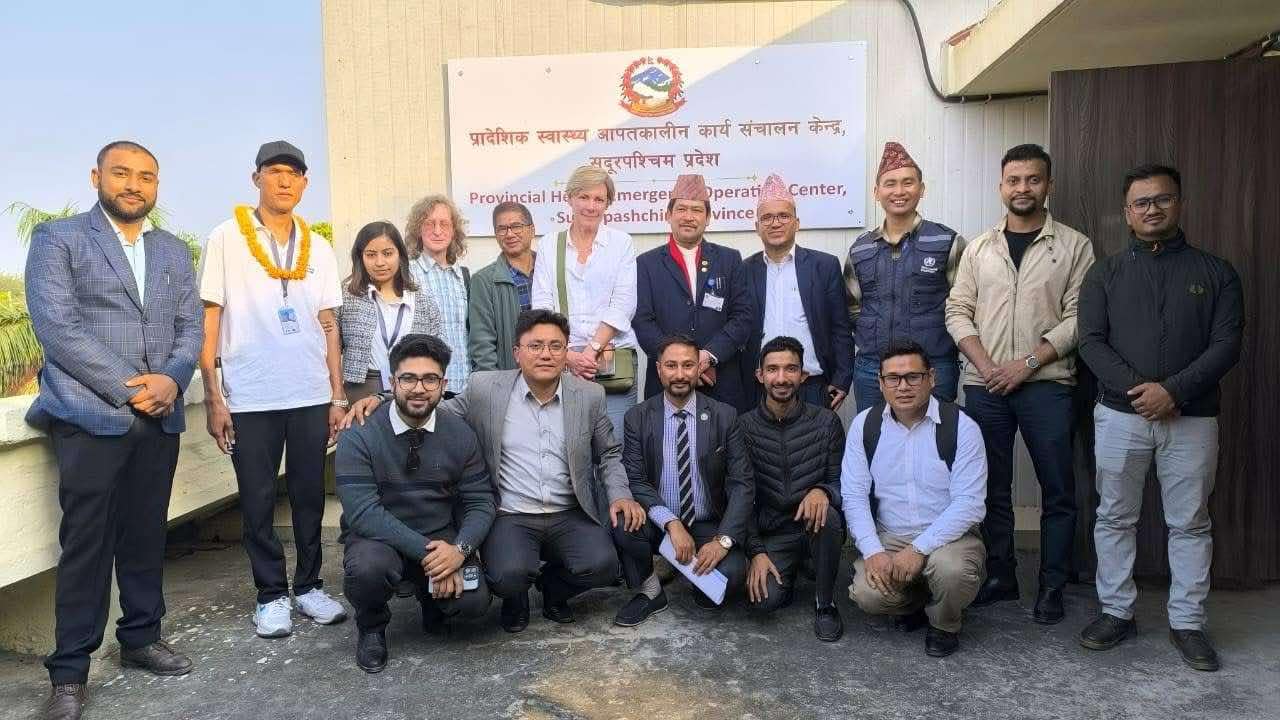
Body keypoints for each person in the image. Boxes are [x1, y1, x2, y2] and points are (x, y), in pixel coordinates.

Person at [25, 141, 202, 720]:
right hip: (89, 414)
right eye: (122, 173)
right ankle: (69, 673)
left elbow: (190, 326)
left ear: (157, 186)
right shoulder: (59, 239)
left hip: (161, 414)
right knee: (87, 544)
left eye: (146, 176)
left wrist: (173, 379)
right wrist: (132, 388)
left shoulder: (172, 250)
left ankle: (142, 638)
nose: (134, 184)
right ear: (96, 176)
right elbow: (58, 328)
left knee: (146, 534)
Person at [339, 309, 646, 632]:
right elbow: (431, 404)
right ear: (517, 352)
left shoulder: (589, 396)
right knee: (505, 576)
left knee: (604, 565)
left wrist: (620, 495)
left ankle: (552, 589)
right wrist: (383, 399)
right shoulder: (486, 389)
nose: (546, 354)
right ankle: (515, 595)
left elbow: (609, 453)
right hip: (511, 514)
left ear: (566, 351)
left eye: (556, 346)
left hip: (569, 511)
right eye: (535, 345)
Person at [1077, 164, 1243, 671]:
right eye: (1141, 202)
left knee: (1190, 522)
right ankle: (1116, 612)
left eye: (1162, 199)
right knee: (1114, 517)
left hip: (1192, 418)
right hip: (1119, 417)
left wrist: (1172, 391)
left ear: (1179, 204)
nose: (1152, 209)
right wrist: (1142, 392)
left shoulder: (1216, 272)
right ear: (1127, 213)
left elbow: (1226, 345)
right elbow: (1091, 342)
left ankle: (1188, 622)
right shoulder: (1104, 273)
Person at [198, 140, 348, 638]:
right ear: (256, 178)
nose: (284, 180)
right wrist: (214, 395)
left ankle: (308, 587)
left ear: (305, 183)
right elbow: (210, 319)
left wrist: (336, 394)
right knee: (258, 500)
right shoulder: (226, 238)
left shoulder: (318, 246)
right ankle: (270, 595)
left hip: (309, 393)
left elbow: (328, 325)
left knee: (309, 497)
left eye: (294, 173)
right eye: (275, 171)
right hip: (250, 395)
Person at [944, 143, 1095, 625]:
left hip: (1047, 383)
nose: (1022, 188)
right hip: (984, 385)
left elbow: (1080, 318)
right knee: (990, 487)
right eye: (1014, 180)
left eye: (1033, 179)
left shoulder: (1074, 246)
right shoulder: (979, 248)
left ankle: (1052, 585)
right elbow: (957, 310)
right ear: (1001, 186)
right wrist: (988, 365)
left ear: (1048, 185)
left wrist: (1025, 364)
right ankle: (1001, 576)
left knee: (1058, 489)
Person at [337, 334, 494, 673]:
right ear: (392, 382)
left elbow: (481, 501)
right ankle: (371, 627)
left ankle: (432, 600)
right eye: (408, 378)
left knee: (475, 602)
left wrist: (460, 550)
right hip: (379, 539)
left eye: (430, 379)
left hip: (441, 537)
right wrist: (433, 556)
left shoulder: (460, 433)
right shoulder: (359, 432)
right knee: (367, 570)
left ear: (443, 384)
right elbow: (363, 513)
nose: (419, 388)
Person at [842, 341, 987, 657]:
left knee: (951, 572)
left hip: (949, 537)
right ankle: (918, 601)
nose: (903, 386)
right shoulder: (865, 425)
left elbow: (970, 503)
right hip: (891, 537)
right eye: (893, 378)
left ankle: (945, 623)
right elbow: (853, 496)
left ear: (931, 378)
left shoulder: (961, 426)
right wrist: (874, 551)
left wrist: (919, 549)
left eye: (913, 377)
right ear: (880, 382)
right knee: (867, 593)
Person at [612, 335, 754, 626]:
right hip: (658, 521)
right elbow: (635, 479)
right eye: (671, 365)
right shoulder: (637, 417)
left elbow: (743, 484)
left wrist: (723, 541)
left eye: (688, 365)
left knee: (731, 576)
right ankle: (651, 591)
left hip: (706, 523)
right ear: (658, 369)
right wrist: (671, 523)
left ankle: (691, 574)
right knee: (624, 522)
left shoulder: (724, 416)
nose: (679, 374)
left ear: (699, 368)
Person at [737, 336, 847, 642]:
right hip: (774, 532)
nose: (782, 378)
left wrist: (823, 491)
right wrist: (756, 552)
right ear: (760, 375)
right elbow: (740, 496)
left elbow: (843, 483)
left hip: (816, 526)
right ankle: (791, 571)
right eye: (773, 369)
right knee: (763, 602)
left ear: (804, 375)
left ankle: (825, 603)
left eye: (791, 369)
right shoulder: (744, 427)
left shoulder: (827, 422)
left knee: (829, 515)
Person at [845, 142, 966, 412]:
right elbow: (852, 308)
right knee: (874, 435)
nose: (899, 191)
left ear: (921, 189)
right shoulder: (860, 249)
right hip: (873, 369)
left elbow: (964, 306)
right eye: (890, 184)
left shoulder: (947, 241)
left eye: (907, 183)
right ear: (876, 192)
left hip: (932, 368)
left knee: (936, 435)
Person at [531, 165, 639, 437]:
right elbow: (542, 307)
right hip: (563, 361)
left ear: (607, 204)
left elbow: (624, 303)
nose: (591, 206)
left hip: (611, 358)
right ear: (569, 198)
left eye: (599, 199)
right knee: (569, 445)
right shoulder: (549, 244)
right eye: (584, 197)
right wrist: (568, 356)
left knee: (614, 444)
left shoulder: (621, 243)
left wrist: (590, 352)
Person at [633, 174, 754, 412]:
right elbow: (642, 320)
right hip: (666, 385)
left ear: (708, 218)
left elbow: (743, 317)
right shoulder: (646, 264)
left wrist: (708, 356)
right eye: (681, 209)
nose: (688, 217)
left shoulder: (729, 259)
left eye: (697, 210)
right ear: (668, 215)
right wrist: (679, 365)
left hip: (721, 382)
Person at [741, 173, 853, 410]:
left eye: (784, 216)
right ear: (757, 227)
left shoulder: (824, 266)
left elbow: (840, 328)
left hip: (813, 386)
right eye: (767, 217)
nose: (775, 223)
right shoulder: (743, 270)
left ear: (797, 223)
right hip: (759, 389)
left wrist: (842, 378)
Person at [337, 221, 443, 402]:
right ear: (360, 257)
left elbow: (435, 358)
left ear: (400, 255)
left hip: (411, 392)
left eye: (387, 253)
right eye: (371, 255)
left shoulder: (424, 303)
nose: (380, 262)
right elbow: (330, 350)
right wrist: (337, 399)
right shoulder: (346, 297)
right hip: (360, 392)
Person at [406, 194, 471, 395]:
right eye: (429, 224)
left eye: (444, 224)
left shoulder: (463, 276)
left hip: (464, 387)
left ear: (454, 231)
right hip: (425, 388)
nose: (437, 231)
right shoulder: (406, 274)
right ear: (418, 230)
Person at [469, 201, 537, 371]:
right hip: (511, 377)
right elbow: (482, 344)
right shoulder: (483, 281)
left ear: (532, 230)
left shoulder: (550, 269)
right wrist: (494, 384)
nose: (509, 234)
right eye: (502, 229)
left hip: (555, 375)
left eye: (516, 226)